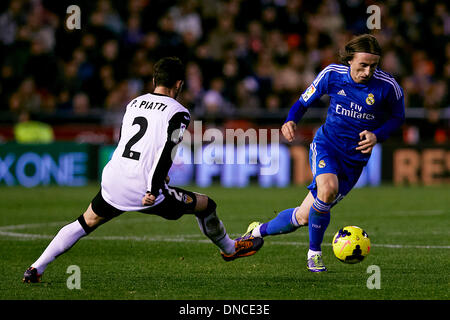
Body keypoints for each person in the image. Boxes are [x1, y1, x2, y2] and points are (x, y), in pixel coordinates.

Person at [23, 57, 263, 283]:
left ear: (154, 81)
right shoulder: (179, 112)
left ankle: (36, 267)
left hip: (114, 179)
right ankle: (230, 249)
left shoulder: (134, 103)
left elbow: (128, 141)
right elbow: (167, 150)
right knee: (206, 205)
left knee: (86, 221)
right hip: (144, 188)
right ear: (179, 84)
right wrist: (154, 186)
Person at [238, 34, 405, 272]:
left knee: (303, 216)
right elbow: (304, 101)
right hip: (327, 144)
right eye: (363, 65)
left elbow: (398, 118)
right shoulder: (332, 75)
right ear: (350, 60)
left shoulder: (388, 87)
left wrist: (378, 135)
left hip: (354, 160)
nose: (368, 72)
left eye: (373, 66)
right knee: (327, 190)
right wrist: (290, 120)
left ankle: (256, 231)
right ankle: (314, 254)